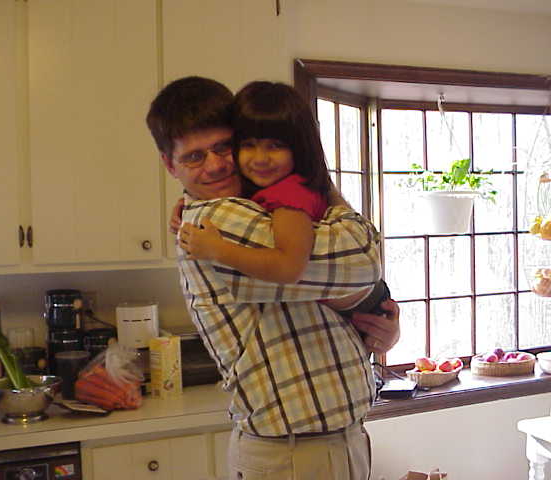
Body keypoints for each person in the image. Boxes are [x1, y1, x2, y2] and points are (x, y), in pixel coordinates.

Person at [146, 76, 400, 480]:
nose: (214, 165)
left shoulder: (260, 206)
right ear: (169, 163)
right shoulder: (220, 222)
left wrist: (376, 324)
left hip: (324, 444)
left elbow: (334, 295)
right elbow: (361, 259)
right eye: (194, 157)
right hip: (296, 455)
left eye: (223, 148)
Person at [178, 81, 390, 316]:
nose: (260, 159)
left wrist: (217, 249)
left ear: (299, 148)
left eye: (275, 146)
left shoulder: (288, 197)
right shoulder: (270, 188)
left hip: (363, 307)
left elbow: (289, 268)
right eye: (248, 145)